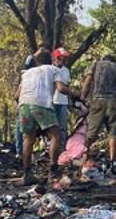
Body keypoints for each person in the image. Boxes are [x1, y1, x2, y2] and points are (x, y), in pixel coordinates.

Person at [15, 47, 65, 184]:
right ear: (50, 60)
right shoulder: (54, 69)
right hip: (42, 104)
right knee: (55, 135)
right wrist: (76, 95)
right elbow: (60, 88)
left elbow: (16, 95)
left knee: (28, 139)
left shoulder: (27, 73)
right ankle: (53, 172)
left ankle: (27, 175)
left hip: (24, 105)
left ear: (36, 61)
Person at [82, 54, 116, 161]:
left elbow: (87, 82)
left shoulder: (95, 65)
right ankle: (112, 159)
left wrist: (82, 97)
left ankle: (84, 155)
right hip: (113, 102)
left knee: (91, 132)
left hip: (97, 100)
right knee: (113, 133)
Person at [13, 48, 37, 158]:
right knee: (26, 131)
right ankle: (22, 153)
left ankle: (20, 153)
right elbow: (17, 95)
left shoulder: (25, 77)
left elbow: (16, 96)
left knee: (20, 128)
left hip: (23, 105)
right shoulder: (32, 77)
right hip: (30, 106)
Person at [51, 48, 75, 135]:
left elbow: (67, 86)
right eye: (60, 58)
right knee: (51, 126)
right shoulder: (50, 69)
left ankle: (61, 146)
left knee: (62, 126)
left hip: (63, 102)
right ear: (55, 58)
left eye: (64, 58)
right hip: (52, 101)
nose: (62, 60)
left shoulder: (66, 70)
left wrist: (69, 100)